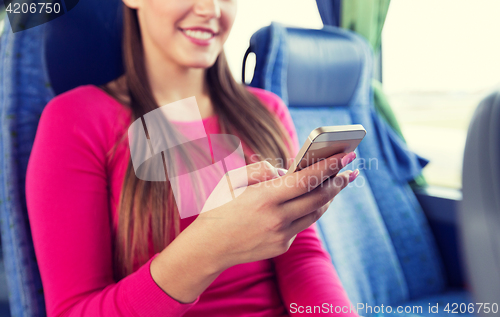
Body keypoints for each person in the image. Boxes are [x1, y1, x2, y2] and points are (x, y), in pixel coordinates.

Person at [26, 0, 360, 316]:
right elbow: (73, 310)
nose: (210, 9)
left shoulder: (266, 112)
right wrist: (210, 247)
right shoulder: (77, 120)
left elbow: (302, 259)